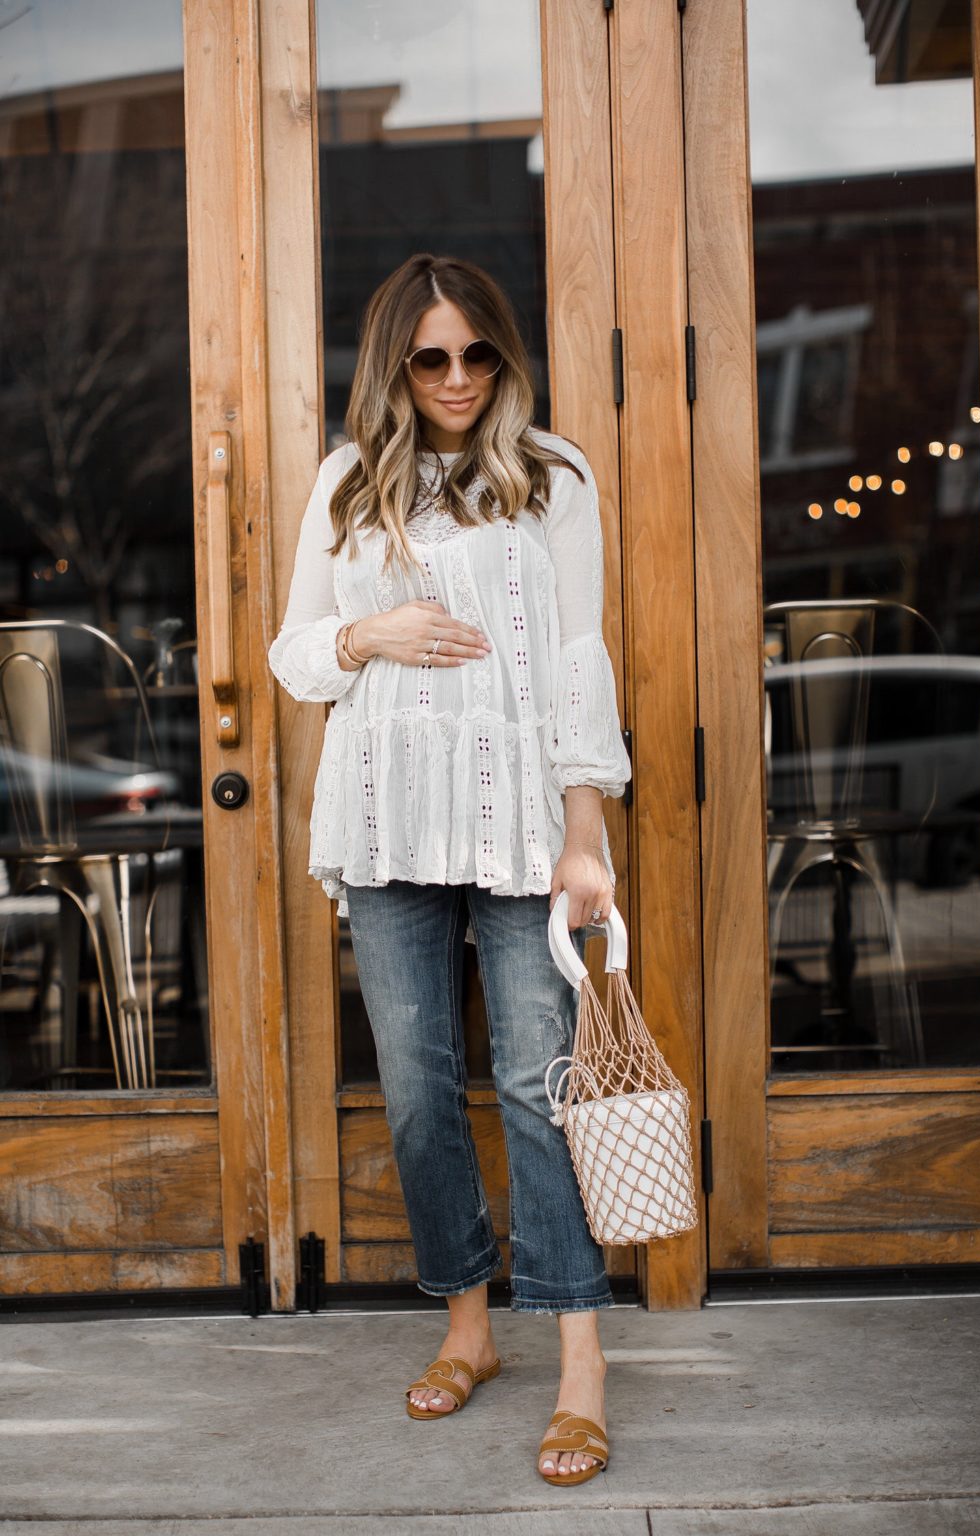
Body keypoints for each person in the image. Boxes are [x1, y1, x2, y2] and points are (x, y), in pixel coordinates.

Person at [268, 252, 631, 1486]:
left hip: (522, 827)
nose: (460, 377)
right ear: (394, 364)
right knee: (421, 1091)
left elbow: (578, 659)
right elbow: (296, 656)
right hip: (383, 825)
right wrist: (369, 633)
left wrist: (586, 831)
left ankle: (579, 1360)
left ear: (504, 355)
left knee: (539, 1083)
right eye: (432, 357)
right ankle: (467, 1328)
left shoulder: (554, 477)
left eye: (479, 353)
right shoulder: (345, 483)